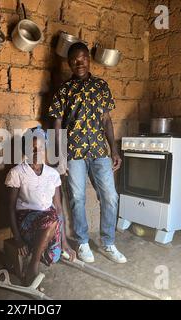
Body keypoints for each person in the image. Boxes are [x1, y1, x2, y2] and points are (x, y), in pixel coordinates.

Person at [49, 42, 127, 264]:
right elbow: (57, 124)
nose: (78, 62)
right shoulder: (64, 90)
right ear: (69, 63)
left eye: (82, 58)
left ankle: (108, 242)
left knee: (110, 197)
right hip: (74, 152)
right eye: (74, 59)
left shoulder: (101, 86)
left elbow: (106, 120)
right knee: (77, 198)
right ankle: (82, 242)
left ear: (88, 60)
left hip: (100, 151)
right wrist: (60, 155)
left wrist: (114, 149)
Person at [5, 128, 76, 286]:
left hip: (50, 219)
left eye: (41, 148)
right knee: (52, 219)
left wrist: (64, 242)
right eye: (33, 148)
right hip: (27, 219)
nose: (37, 152)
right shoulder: (17, 172)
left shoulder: (52, 174)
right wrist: (17, 239)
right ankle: (33, 266)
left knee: (54, 256)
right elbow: (10, 208)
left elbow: (58, 207)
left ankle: (39, 249)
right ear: (25, 150)